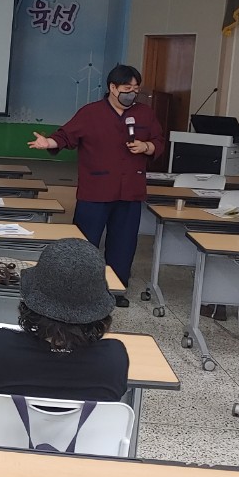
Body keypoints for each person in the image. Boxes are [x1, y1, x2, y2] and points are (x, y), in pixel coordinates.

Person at [27, 65, 165, 306]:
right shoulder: (91, 113)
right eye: (127, 89)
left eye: (136, 90)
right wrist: (48, 142)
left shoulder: (144, 113)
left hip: (130, 189)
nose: (132, 94)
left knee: (123, 243)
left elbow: (158, 141)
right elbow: (66, 136)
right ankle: (80, 289)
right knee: (84, 243)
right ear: (112, 88)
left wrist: (147, 147)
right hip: (96, 189)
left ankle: (116, 290)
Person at [0, 238, 129, 403]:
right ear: (97, 308)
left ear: (30, 300)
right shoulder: (114, 358)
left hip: (6, 429)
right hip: (82, 429)